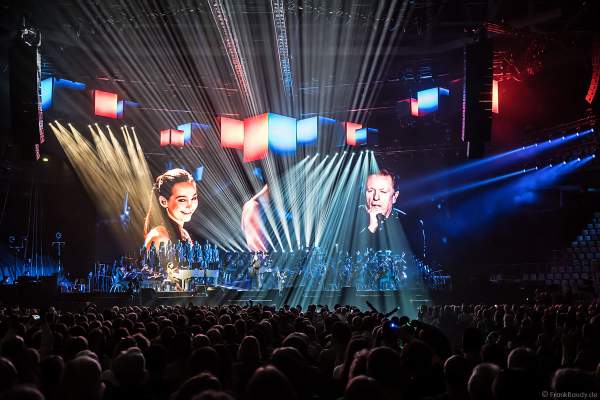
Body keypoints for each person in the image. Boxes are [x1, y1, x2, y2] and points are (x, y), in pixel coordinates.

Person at [144, 169, 198, 251]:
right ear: (164, 201)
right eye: (182, 200)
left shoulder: (184, 234)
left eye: (193, 198)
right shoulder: (160, 237)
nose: (190, 206)